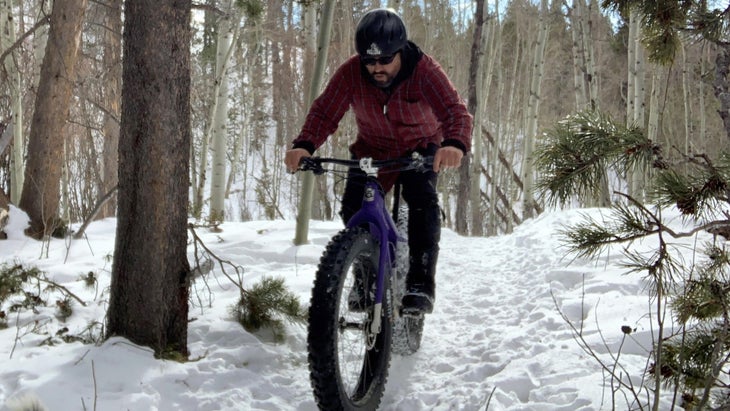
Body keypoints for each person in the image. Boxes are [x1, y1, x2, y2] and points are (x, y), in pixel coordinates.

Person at [284, 8, 473, 314]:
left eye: (385, 59)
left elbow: (455, 111)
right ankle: (366, 275)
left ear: (400, 52)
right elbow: (325, 111)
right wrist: (304, 145)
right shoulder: (350, 73)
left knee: (422, 203)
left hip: (419, 147)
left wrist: (454, 144)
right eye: (369, 61)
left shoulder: (425, 72)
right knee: (353, 209)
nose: (376, 67)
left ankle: (420, 284)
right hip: (372, 148)